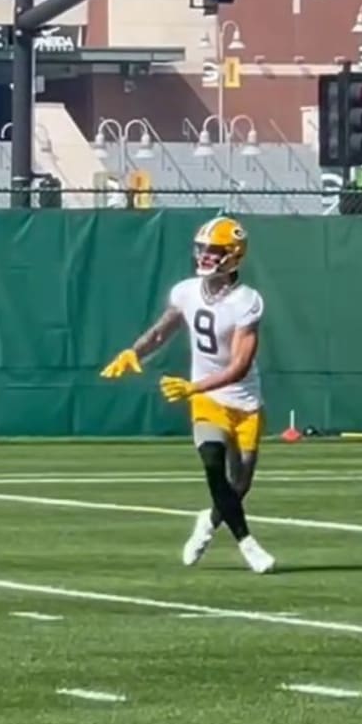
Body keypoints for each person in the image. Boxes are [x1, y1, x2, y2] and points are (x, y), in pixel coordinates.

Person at [100, 216, 276, 574]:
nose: (206, 257)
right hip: (208, 400)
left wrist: (193, 386)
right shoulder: (186, 291)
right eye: (203, 250)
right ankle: (248, 543)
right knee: (213, 465)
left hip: (243, 401)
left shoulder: (247, 301)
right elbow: (162, 331)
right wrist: (134, 351)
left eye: (214, 251)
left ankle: (208, 522)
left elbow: (240, 366)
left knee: (238, 484)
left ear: (234, 255)